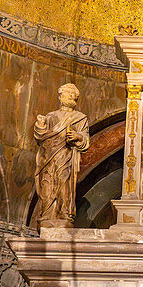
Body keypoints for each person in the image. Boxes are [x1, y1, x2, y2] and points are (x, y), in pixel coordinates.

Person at [33, 83, 90, 225]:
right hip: (49, 157)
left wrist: (77, 136)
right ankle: (48, 213)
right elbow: (41, 135)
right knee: (48, 184)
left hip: (67, 156)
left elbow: (85, 138)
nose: (71, 96)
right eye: (68, 92)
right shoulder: (51, 116)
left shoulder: (80, 118)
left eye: (73, 94)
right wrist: (40, 124)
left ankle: (63, 212)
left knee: (64, 183)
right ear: (60, 95)